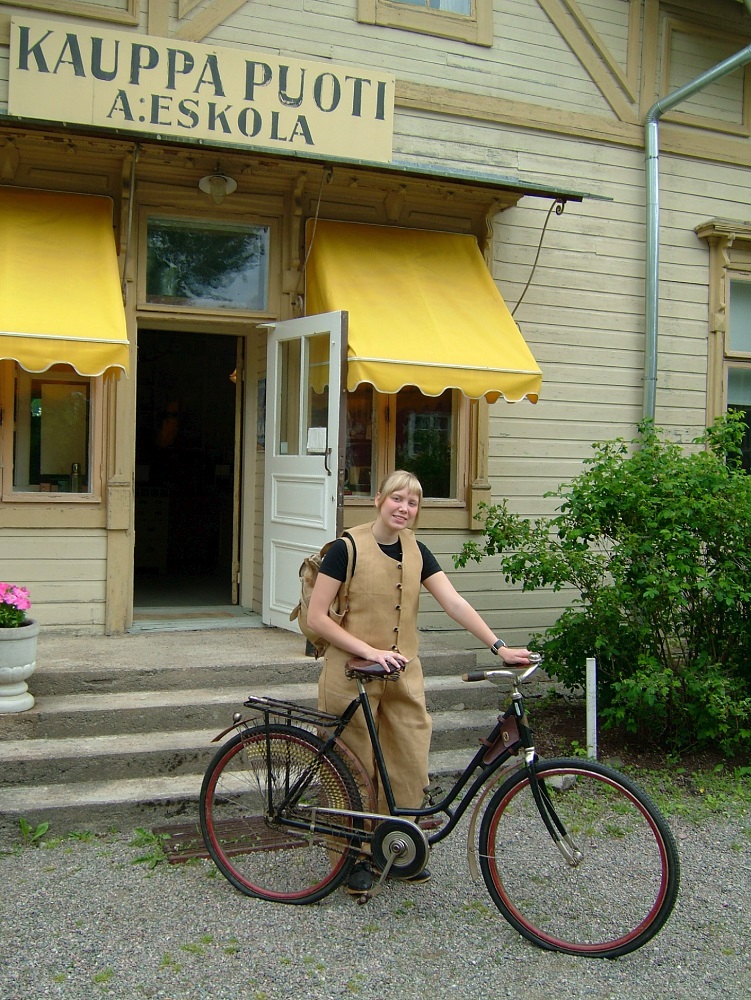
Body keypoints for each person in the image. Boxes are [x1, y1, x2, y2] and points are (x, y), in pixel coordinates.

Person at [306, 470, 532, 894]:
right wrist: (369, 650)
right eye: (397, 498)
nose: (403, 508)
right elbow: (317, 617)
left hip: (402, 675)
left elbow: (453, 602)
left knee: (408, 760)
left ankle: (392, 847)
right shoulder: (346, 549)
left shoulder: (417, 551)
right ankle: (351, 857)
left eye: (412, 503)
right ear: (378, 499)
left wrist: (498, 646)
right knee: (354, 765)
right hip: (350, 676)